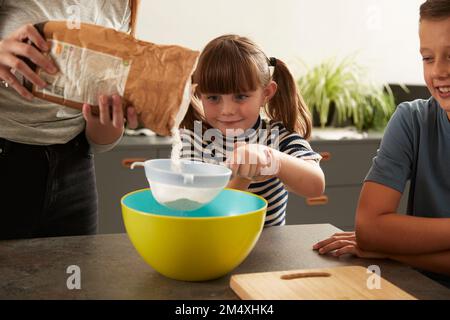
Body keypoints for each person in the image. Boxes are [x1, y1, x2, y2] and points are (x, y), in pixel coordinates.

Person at [313, 0, 450, 288]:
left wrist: (393, 250)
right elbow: (370, 229)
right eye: (427, 58)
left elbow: (377, 241)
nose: (438, 71)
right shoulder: (412, 120)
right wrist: (385, 244)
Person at [0, 0, 139, 240]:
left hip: (76, 169)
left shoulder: (120, 4)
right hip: (7, 159)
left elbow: (99, 140)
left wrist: (106, 120)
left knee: (75, 277)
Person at [179, 34, 325, 227]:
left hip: (269, 252)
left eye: (240, 96)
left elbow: (315, 185)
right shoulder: (195, 142)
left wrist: (272, 158)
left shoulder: (277, 137)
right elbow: (211, 218)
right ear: (199, 94)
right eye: (214, 98)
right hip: (212, 248)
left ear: (266, 93)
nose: (227, 110)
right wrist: (243, 176)